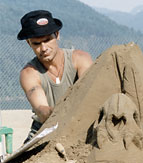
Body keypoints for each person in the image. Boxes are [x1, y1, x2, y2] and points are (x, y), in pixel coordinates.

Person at [17, 10, 93, 143]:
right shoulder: (29, 73)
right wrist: (58, 114)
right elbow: (42, 110)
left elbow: (88, 97)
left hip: (80, 127)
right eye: (37, 43)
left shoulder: (80, 59)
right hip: (43, 132)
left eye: (47, 40)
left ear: (57, 35)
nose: (44, 48)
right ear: (29, 43)